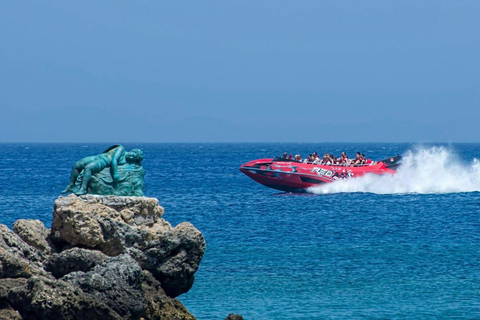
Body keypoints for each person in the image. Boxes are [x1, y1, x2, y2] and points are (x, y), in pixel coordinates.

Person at [62, 145, 144, 195]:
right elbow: (114, 160)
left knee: (88, 168)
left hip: (103, 162)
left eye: (134, 158)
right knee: (76, 165)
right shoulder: (121, 149)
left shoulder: (126, 162)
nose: (131, 157)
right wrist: (115, 174)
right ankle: (71, 185)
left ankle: (83, 189)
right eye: (133, 154)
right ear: (132, 151)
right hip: (100, 157)